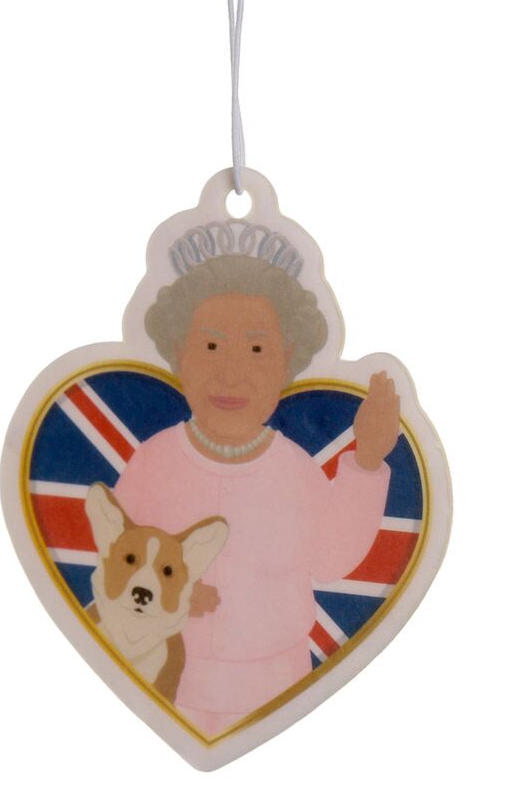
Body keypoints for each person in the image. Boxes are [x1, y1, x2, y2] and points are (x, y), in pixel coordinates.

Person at [113, 254, 400, 735]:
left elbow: (330, 558)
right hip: (162, 678)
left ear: (288, 360)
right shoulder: (154, 461)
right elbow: (113, 557)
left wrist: (367, 462)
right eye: (210, 346)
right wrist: (171, 596)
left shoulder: (295, 470)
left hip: (276, 687)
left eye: (256, 350)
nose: (231, 374)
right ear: (178, 353)